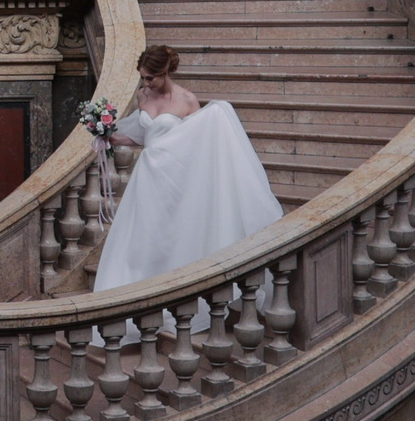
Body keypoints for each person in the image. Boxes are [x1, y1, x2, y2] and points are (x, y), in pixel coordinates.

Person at [87, 45, 283, 311]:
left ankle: (175, 294)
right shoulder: (143, 97)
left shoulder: (188, 100)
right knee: (145, 234)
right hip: (148, 176)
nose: (145, 84)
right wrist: (109, 135)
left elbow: (198, 142)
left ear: (165, 72)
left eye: (150, 78)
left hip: (176, 178)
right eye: (142, 78)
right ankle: (140, 293)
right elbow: (144, 135)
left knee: (173, 234)